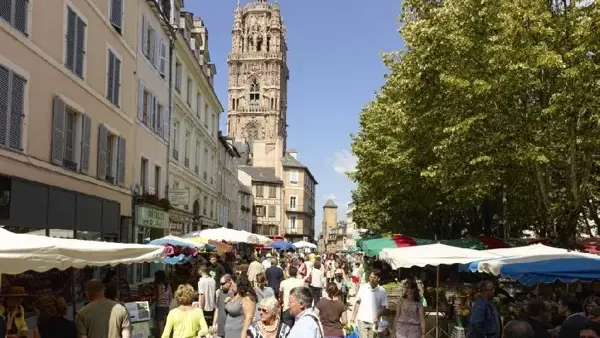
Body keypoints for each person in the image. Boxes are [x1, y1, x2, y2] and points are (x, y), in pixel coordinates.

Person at [351, 269, 388, 338]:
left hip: (374, 322)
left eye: (374, 277)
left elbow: (384, 307)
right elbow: (358, 302)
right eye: (370, 277)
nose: (371, 279)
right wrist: (353, 317)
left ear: (378, 278)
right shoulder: (363, 287)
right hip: (362, 320)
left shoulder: (382, 291)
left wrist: (377, 317)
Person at [154, 270, 172, 337]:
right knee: (166, 325)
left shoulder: (158, 285)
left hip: (159, 307)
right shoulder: (168, 285)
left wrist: (154, 299)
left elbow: (159, 297)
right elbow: (171, 297)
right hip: (167, 307)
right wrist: (169, 305)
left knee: (160, 326)